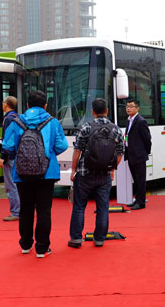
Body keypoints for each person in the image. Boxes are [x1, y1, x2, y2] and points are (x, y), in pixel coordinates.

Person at [2, 90, 68, 258]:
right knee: (44, 209)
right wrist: (47, 153)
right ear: (45, 105)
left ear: (28, 105)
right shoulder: (52, 122)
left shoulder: (17, 122)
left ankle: (25, 244)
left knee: (26, 208)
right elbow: (62, 145)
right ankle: (42, 247)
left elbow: (8, 146)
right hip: (47, 172)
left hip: (22, 172)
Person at [68, 98, 124, 248]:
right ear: (107, 111)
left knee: (79, 206)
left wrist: (73, 170)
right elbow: (120, 153)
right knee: (103, 207)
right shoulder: (116, 129)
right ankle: (99, 239)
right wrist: (111, 169)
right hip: (104, 175)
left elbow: (77, 151)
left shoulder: (86, 127)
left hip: (85, 174)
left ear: (92, 112)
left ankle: (76, 239)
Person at [124, 99, 152, 210]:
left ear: (137, 108)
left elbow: (147, 139)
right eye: (127, 106)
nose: (128, 108)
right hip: (131, 154)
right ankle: (137, 199)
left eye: (131, 106)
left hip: (139, 155)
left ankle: (141, 202)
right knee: (135, 179)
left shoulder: (141, 121)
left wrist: (145, 152)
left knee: (140, 180)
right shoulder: (129, 121)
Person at [0, 96, 19, 221]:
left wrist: (2, 157)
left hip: (10, 155)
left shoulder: (8, 119)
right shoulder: (17, 117)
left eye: (3, 101)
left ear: (6, 104)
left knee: (10, 184)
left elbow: (7, 140)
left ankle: (16, 211)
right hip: (16, 154)